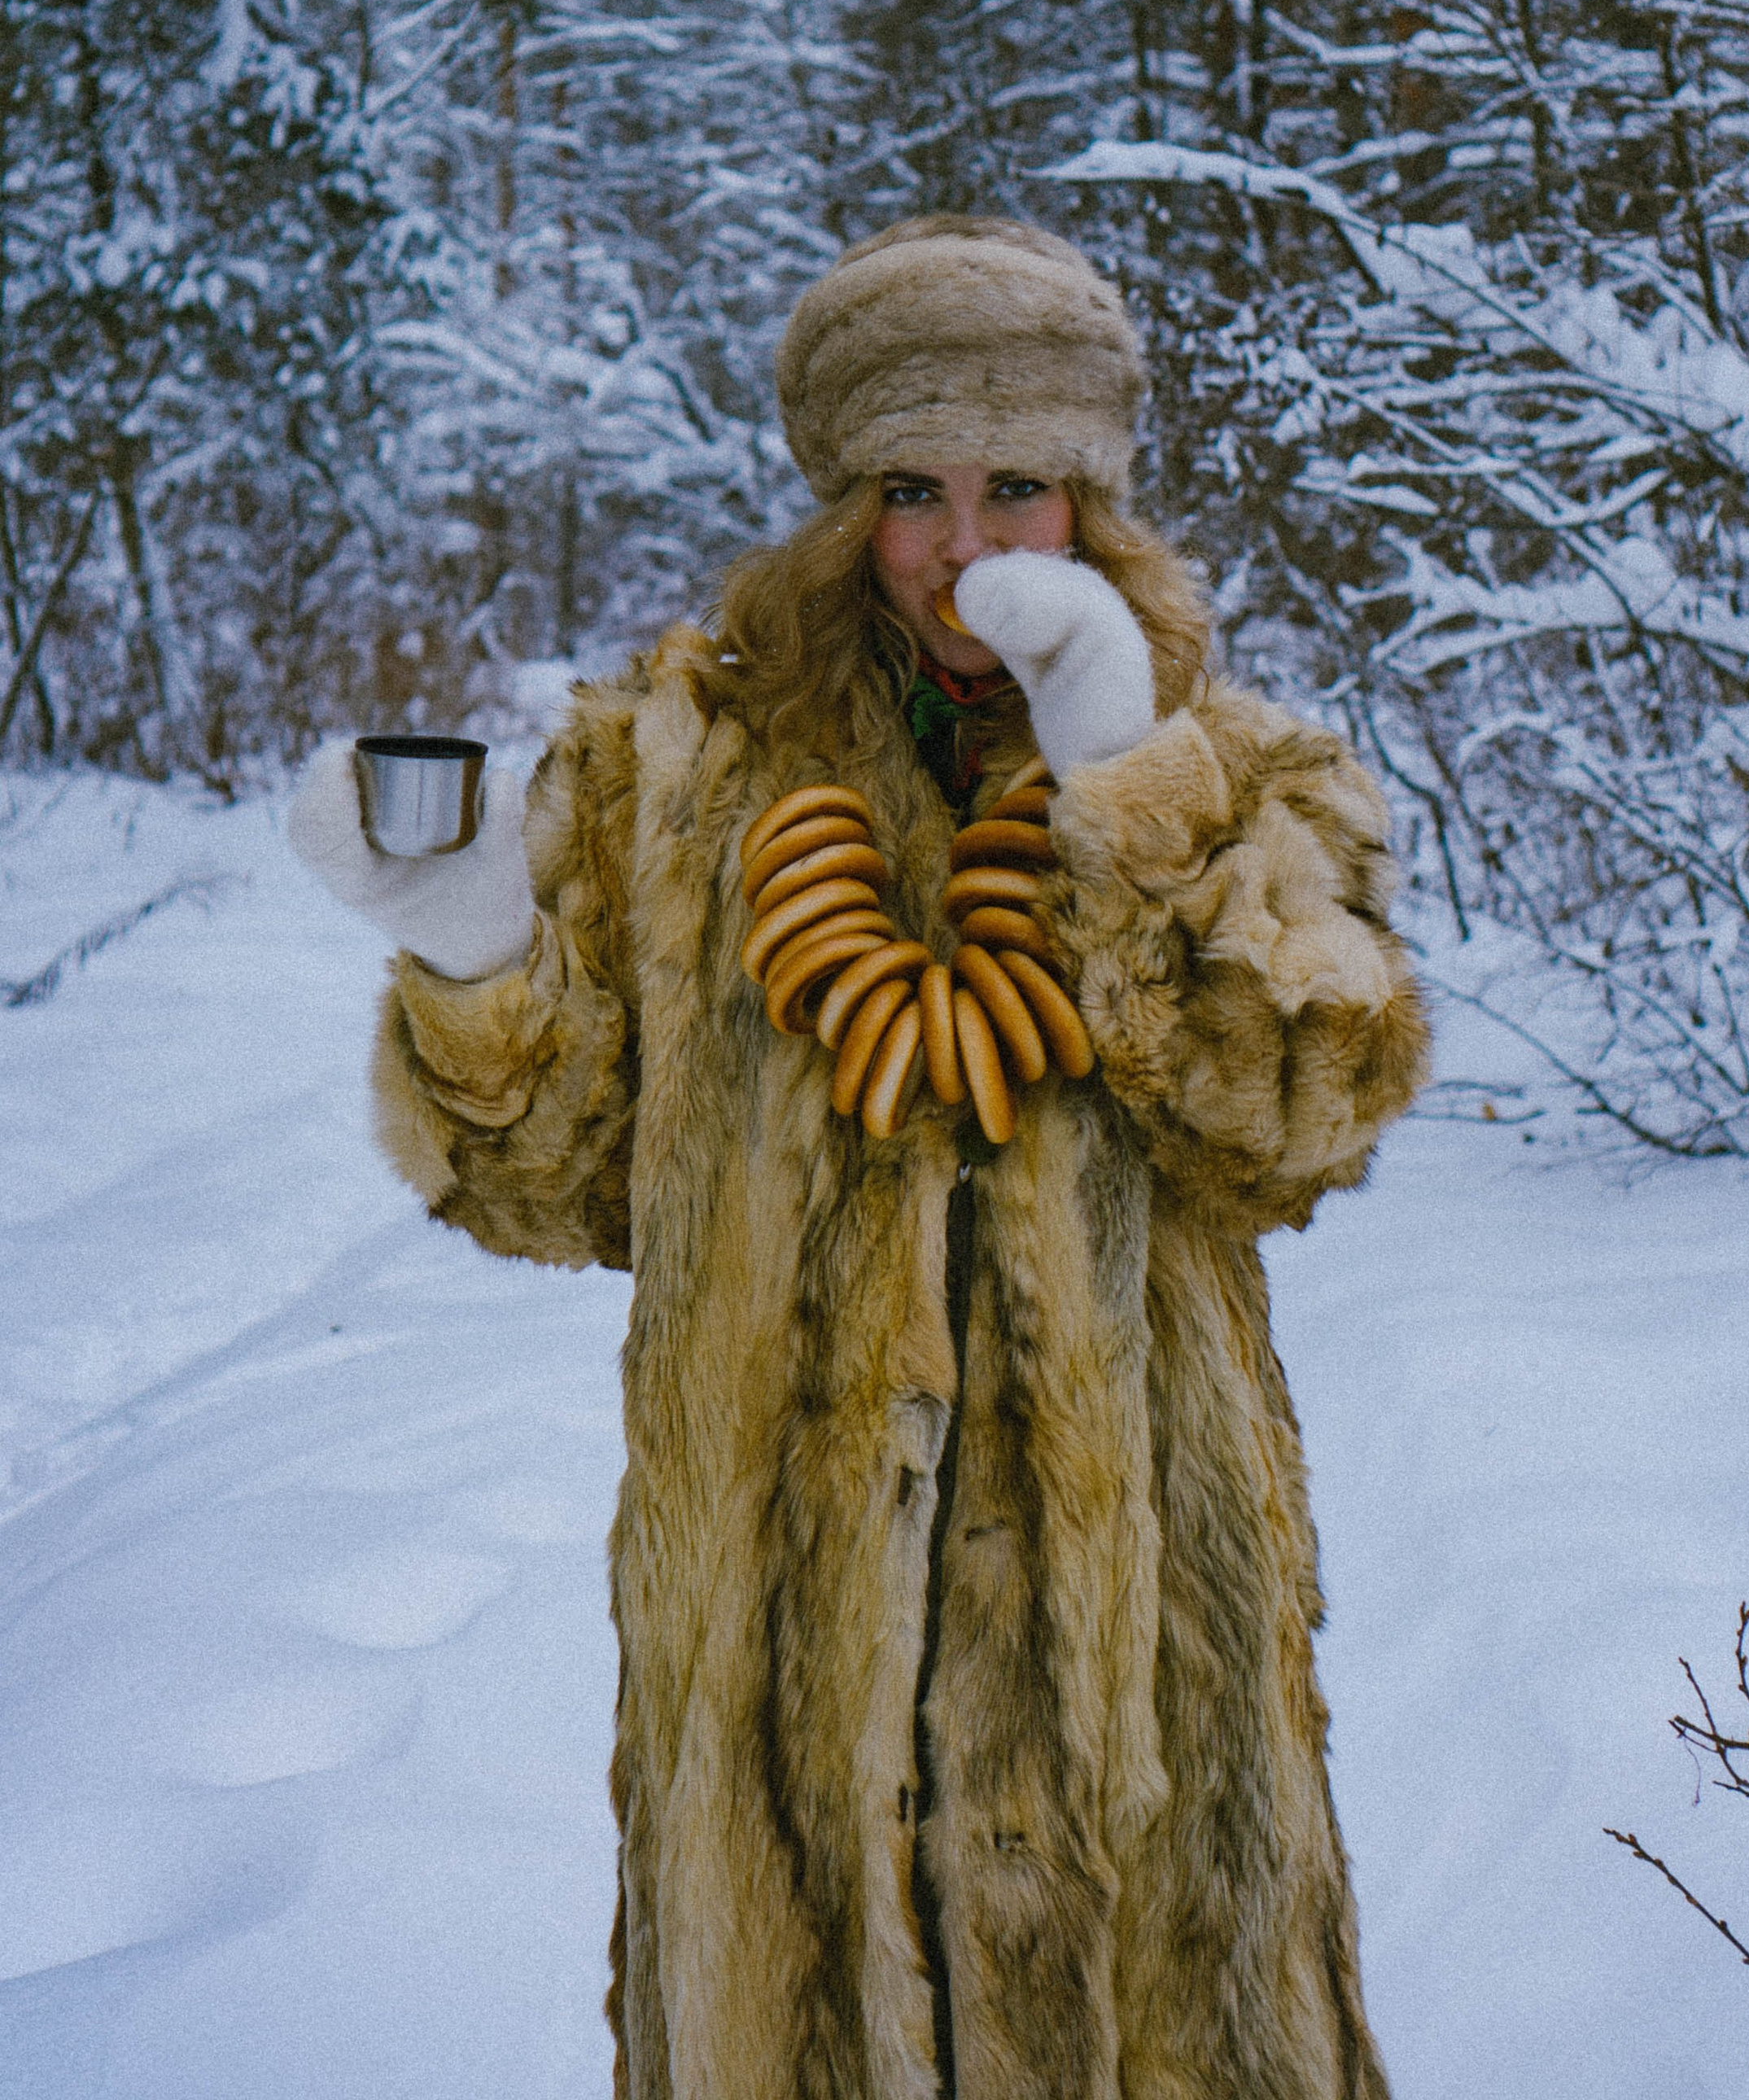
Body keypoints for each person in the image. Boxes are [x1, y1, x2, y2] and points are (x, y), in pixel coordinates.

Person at [290, 215, 1429, 2100]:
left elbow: (1300, 1108)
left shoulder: (1236, 769)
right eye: (912, 489)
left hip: (1141, 1690)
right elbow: (550, 1187)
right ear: (841, 506)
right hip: (775, 1715)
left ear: (1094, 504)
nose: (965, 547)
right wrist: (478, 939)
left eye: (1018, 488)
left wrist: (1120, 792)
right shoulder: (679, 775)